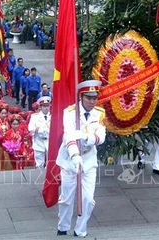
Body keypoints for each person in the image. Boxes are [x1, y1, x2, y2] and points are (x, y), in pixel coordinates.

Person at [56, 80, 106, 237]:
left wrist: (85, 136)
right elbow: (68, 136)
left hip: (89, 159)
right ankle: (63, 227)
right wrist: (75, 155)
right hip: (70, 159)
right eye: (88, 98)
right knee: (67, 198)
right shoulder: (69, 112)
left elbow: (101, 137)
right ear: (81, 97)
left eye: (94, 98)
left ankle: (80, 229)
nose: (92, 101)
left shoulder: (100, 113)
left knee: (88, 199)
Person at [28, 96, 51, 168]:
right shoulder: (34, 116)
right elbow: (30, 128)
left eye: (47, 106)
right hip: (39, 142)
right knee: (39, 164)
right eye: (44, 106)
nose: (46, 108)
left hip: (49, 142)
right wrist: (38, 130)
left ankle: (48, 179)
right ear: (40, 107)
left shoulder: (53, 116)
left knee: (50, 163)